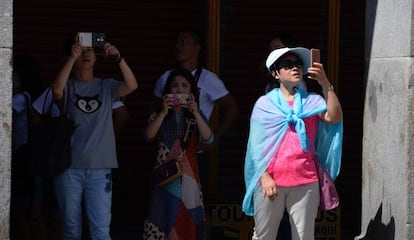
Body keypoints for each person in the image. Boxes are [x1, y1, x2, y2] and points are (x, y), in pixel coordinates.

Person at [242, 47, 343, 240]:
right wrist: (264, 177)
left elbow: (334, 116)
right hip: (271, 180)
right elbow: (255, 146)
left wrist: (324, 82)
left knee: (304, 236)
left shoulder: (313, 101)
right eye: (288, 65)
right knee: (263, 236)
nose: (295, 68)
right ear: (276, 73)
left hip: (306, 180)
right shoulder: (264, 104)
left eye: (298, 64)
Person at [50, 33, 137, 239]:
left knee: (100, 229)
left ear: (97, 57)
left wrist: (119, 58)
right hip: (68, 167)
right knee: (71, 228)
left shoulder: (106, 86)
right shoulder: (69, 86)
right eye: (81, 50)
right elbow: (56, 90)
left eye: (90, 50)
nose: (86, 53)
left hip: (100, 167)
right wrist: (72, 57)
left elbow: (132, 85)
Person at [153, 28, 239, 203]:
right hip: (168, 151)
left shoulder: (208, 79)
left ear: (197, 48)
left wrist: (215, 139)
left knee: (196, 204)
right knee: (167, 203)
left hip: (195, 151)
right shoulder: (167, 77)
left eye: (185, 42)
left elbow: (232, 108)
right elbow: (153, 108)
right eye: (177, 42)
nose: (179, 46)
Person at [143, 68, 214, 240]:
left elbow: (209, 139)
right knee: (162, 216)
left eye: (184, 85)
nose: (179, 89)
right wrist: (163, 112)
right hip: (165, 175)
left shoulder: (194, 115)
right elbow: (148, 136)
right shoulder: (160, 114)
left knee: (187, 218)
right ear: (167, 91)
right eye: (175, 86)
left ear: (191, 91)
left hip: (188, 176)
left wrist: (196, 112)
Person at [10, 54, 43, 240]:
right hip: (28, 158)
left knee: (22, 212)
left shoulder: (20, 98)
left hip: (23, 159)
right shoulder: (27, 97)